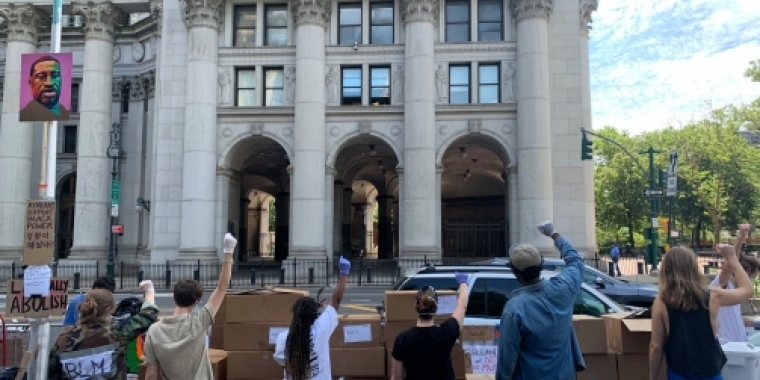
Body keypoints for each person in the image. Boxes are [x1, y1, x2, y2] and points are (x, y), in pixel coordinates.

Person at [496, 221, 586, 380]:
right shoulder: (563, 288)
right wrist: (554, 234)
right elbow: (576, 262)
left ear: (516, 274)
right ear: (541, 265)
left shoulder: (514, 309)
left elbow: (507, 358)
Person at [142, 233, 239, 380]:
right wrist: (228, 251)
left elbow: (151, 374)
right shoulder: (199, 321)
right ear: (196, 302)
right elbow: (222, 288)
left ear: (174, 298)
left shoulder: (155, 331)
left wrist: (149, 292)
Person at [649, 244, 753, 380]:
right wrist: (732, 257)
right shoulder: (713, 296)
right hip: (710, 371)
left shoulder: (661, 301)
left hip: (679, 372)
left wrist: (653, 377)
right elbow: (747, 290)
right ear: (693, 268)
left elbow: (656, 346)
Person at [47, 281, 159, 380]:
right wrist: (149, 291)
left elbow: (52, 374)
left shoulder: (63, 340)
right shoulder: (116, 332)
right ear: (111, 309)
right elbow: (148, 315)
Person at [273, 256, 351, 380]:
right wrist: (344, 273)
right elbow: (336, 300)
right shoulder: (321, 329)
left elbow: (286, 366)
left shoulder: (284, 338)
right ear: (314, 315)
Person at [390, 272, 470, 380]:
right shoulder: (447, 332)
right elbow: (462, 306)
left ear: (415, 307)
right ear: (436, 308)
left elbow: (396, 376)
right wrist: (463, 283)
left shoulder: (403, 339)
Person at [711, 224, 758, 344]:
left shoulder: (737, 291)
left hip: (741, 345)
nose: (750, 281)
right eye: (751, 277)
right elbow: (730, 262)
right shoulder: (722, 285)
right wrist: (741, 237)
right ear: (745, 271)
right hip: (729, 347)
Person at [20, 55, 70, 121]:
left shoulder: (65, 113)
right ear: (30, 82)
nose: (49, 83)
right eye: (41, 76)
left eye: (55, 76)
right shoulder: (24, 114)